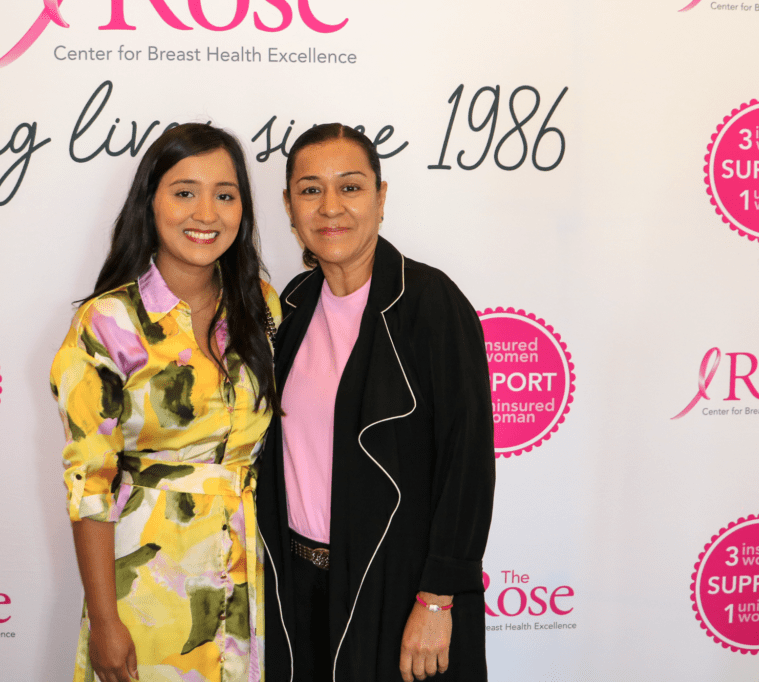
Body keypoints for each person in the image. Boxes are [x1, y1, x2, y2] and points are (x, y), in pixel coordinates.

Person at [258, 124, 496, 682]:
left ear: (381, 198)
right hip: (295, 586)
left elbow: (467, 464)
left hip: (397, 585)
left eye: (352, 187)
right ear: (290, 207)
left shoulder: (431, 305)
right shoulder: (287, 308)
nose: (330, 207)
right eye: (310, 189)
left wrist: (438, 599)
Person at [50, 123, 281, 682]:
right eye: (184, 192)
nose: (206, 212)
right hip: (148, 591)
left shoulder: (263, 309)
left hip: (251, 580)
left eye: (225, 195)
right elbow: (90, 488)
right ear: (149, 202)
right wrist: (105, 621)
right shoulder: (108, 323)